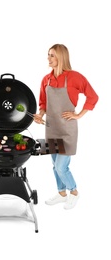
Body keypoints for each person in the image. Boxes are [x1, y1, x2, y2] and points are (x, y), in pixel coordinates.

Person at [34, 44, 98, 210]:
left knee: (61, 167)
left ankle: (74, 192)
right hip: (51, 127)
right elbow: (43, 103)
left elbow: (93, 96)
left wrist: (78, 115)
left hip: (67, 130)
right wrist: (40, 114)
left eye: (52, 56)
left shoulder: (75, 77)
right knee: (54, 165)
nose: (48, 59)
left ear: (61, 57)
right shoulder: (46, 79)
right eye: (48, 55)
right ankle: (62, 193)